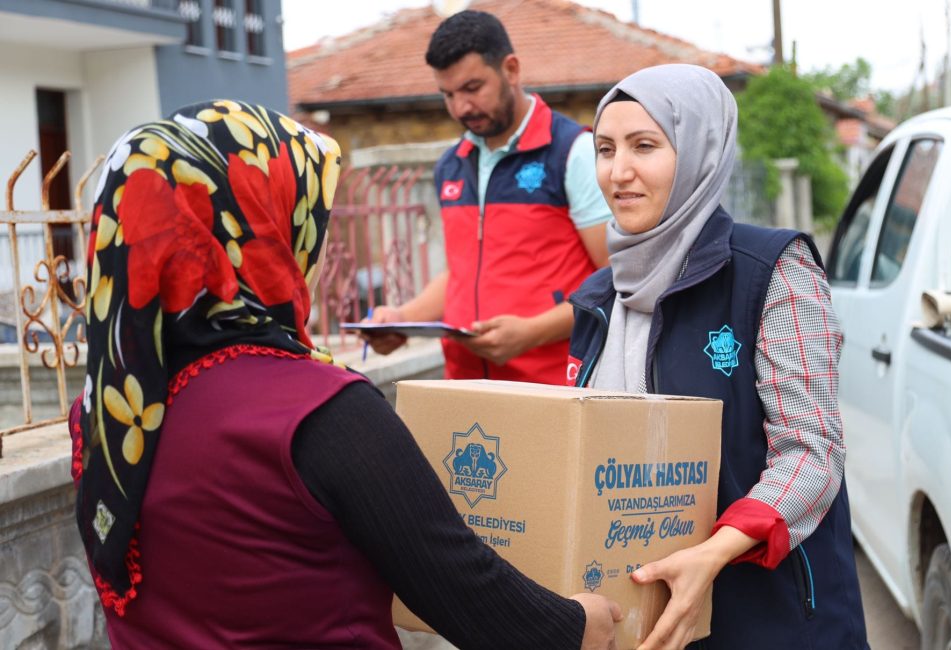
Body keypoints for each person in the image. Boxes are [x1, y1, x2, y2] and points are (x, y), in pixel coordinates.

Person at [68, 99, 621, 648]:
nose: (322, 246)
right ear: (257, 227)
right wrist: (579, 624)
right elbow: (466, 591)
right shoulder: (319, 412)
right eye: (301, 212)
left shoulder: (107, 416)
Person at [568, 65, 869, 649]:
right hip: (648, 621)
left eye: (645, 146)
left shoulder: (771, 270)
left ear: (701, 150)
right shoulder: (600, 300)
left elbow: (812, 452)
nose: (618, 172)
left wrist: (714, 552)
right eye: (605, 150)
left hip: (770, 619)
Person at [365, 10, 611, 384]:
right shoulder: (451, 165)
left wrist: (532, 333)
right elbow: (462, 274)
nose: (461, 108)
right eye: (448, 95)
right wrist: (403, 317)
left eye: (472, 88)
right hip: (463, 388)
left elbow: (613, 283)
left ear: (511, 70)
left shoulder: (572, 152)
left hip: (553, 390)